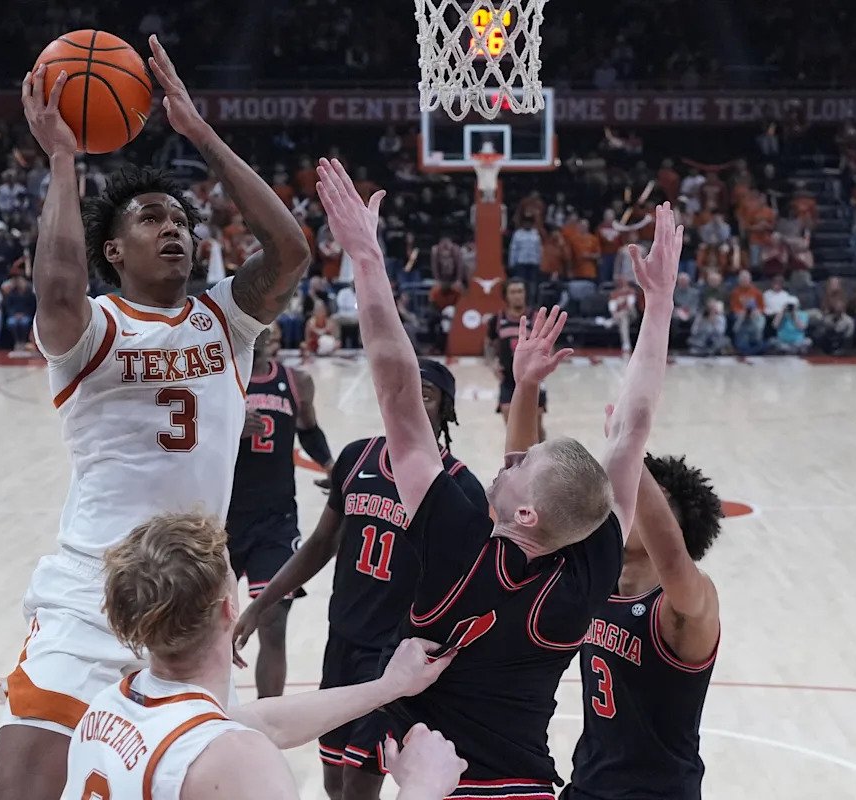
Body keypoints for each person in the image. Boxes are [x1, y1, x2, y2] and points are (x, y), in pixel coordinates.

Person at [0, 34, 312, 800]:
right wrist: (62, 159)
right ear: (112, 249)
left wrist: (199, 132)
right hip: (88, 594)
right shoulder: (91, 330)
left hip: (193, 602)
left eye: (181, 220)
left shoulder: (225, 321)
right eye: (151, 219)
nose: (175, 229)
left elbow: (290, 251)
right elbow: (57, 291)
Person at [315, 158, 682, 797]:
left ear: (527, 514)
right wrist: (660, 307)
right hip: (529, 788)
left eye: (524, 465)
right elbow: (632, 430)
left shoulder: (458, 538)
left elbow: (398, 391)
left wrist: (367, 260)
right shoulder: (588, 565)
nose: (510, 461)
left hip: (443, 785)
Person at [60, 511, 465, 800]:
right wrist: (421, 787)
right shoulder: (235, 760)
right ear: (228, 608)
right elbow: (243, 740)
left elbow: (266, 722)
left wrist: (388, 687)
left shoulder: (109, 706)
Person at [234, 357, 487, 800]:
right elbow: (320, 544)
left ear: (446, 410)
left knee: (358, 786)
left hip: (396, 656)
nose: (410, 403)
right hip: (342, 644)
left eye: (425, 395)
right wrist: (260, 603)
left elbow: (472, 588)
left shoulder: (461, 487)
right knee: (333, 781)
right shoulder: (356, 458)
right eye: (403, 391)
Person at [565, 448, 724, 800]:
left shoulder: (685, 603)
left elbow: (672, 559)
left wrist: (631, 449)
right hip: (587, 787)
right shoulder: (598, 585)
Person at [226, 325, 334, 699]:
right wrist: (230, 427)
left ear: (272, 337)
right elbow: (192, 438)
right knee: (206, 626)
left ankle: (267, 717)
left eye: (265, 328)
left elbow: (310, 431)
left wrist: (331, 466)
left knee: (273, 622)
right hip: (222, 520)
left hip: (276, 521)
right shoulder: (221, 380)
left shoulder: (297, 381)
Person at [486, 278, 548, 442]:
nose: (517, 296)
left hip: (532, 378)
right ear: (506, 296)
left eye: (520, 291)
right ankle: (517, 455)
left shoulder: (536, 318)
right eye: (513, 292)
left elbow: (549, 345)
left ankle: (542, 453)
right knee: (511, 425)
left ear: (526, 294)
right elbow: (489, 345)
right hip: (508, 378)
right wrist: (492, 364)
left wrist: (544, 366)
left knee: (536, 427)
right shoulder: (497, 319)